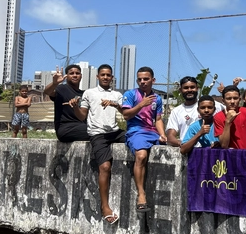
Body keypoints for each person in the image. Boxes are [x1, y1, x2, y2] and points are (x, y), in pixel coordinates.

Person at [72, 64, 124, 225]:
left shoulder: (117, 94)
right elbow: (82, 116)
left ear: (112, 77)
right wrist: (75, 107)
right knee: (105, 167)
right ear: (97, 76)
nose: (106, 77)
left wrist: (116, 105)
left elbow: (125, 113)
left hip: (114, 131)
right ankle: (105, 206)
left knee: (138, 143)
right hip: (98, 134)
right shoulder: (89, 93)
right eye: (103, 75)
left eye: (108, 75)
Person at [122, 66, 167, 213]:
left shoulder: (158, 98)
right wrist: (141, 104)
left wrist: (162, 133)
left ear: (153, 80)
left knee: (173, 145)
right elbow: (126, 115)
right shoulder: (130, 94)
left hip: (152, 132)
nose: (142, 81)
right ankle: (141, 194)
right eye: (139, 79)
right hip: (136, 131)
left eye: (146, 79)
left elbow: (158, 118)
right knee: (141, 155)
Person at [166, 76, 225, 147]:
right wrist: (184, 144)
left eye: (192, 87)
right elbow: (170, 137)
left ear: (197, 88)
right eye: (186, 88)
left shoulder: (211, 104)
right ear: (180, 90)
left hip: (210, 151)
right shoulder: (176, 111)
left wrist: (225, 92)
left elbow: (231, 110)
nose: (189, 90)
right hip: (187, 152)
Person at [44, 64, 88, 142]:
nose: (75, 75)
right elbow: (47, 92)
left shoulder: (84, 94)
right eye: (71, 73)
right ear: (66, 76)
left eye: (77, 73)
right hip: (66, 129)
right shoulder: (62, 89)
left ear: (81, 76)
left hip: (83, 127)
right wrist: (55, 83)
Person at [214, 85, 246, 149]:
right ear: (223, 101)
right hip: (229, 156)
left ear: (239, 99)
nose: (232, 102)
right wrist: (227, 122)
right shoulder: (218, 117)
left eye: (235, 98)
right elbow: (224, 145)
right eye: (229, 99)